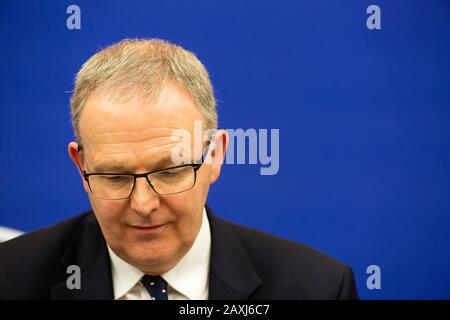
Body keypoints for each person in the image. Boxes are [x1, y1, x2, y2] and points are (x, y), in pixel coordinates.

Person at [0, 39, 358, 300]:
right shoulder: (10, 278)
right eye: (115, 176)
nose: (143, 205)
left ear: (215, 155)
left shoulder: (317, 288)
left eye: (170, 171)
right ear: (81, 166)